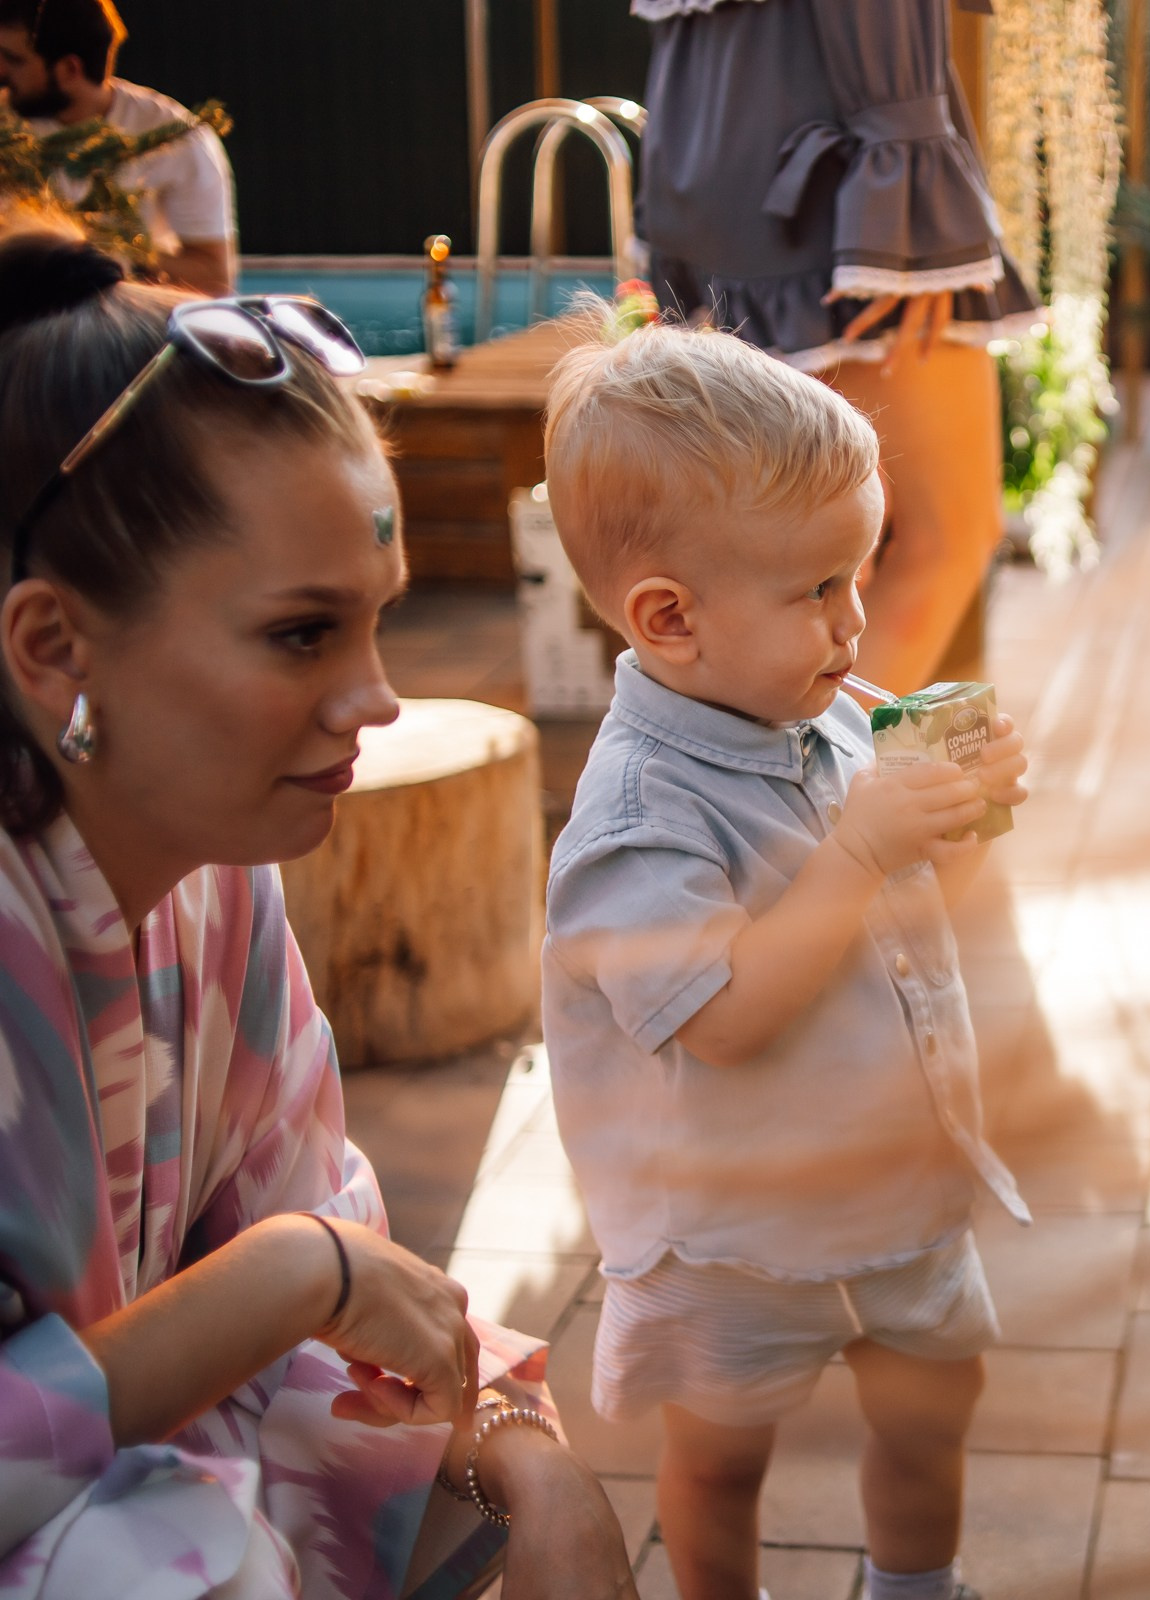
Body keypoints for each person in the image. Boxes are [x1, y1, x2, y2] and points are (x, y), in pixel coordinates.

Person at [0, 233, 632, 1597]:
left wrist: (526, 1455)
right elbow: (310, 1269)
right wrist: (293, 1273)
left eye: (376, 624)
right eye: (303, 635)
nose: (376, 700)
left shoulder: (218, 882)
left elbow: (350, 1303)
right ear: (54, 649)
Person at [538, 313, 1035, 1600]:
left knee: (935, 1398)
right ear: (671, 617)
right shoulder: (639, 817)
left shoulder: (841, 719)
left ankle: (913, 1586)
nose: (856, 623)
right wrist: (862, 854)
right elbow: (723, 1017)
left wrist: (958, 822)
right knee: (719, 1463)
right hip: (736, 1235)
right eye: (818, 590)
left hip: (894, 1185)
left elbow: (918, 911)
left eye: (858, 576)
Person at [635, 0, 1037, 692]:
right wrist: (904, 186)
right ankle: (817, 794)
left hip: (726, 153)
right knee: (945, 536)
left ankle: (792, 787)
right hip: (834, 167)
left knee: (829, 553)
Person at [0, 0, 237, 295]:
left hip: (126, 323)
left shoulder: (175, 137)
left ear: (69, 69)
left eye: (14, 59)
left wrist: (110, 250)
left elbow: (214, 278)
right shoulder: (5, 128)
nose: (2, 70)